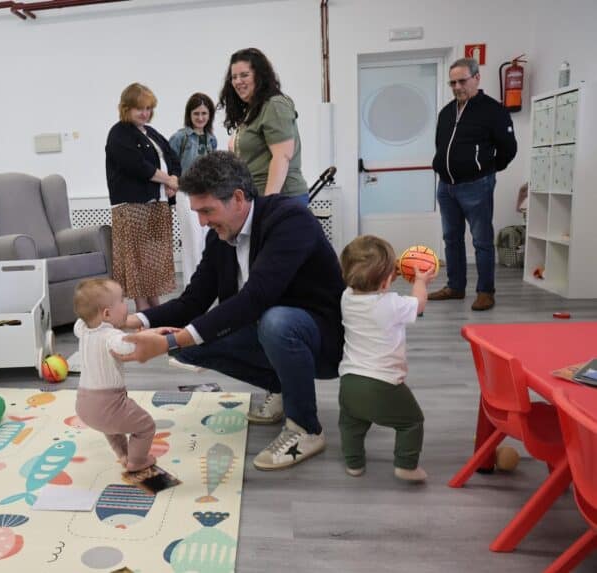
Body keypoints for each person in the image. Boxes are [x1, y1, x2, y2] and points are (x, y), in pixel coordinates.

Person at [116, 151, 345, 471]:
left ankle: (306, 428)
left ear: (238, 198)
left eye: (207, 210)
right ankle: (282, 388)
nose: (202, 222)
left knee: (275, 322)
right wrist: (130, 320)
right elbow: (192, 302)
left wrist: (169, 341)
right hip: (271, 331)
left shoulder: (291, 220)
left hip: (323, 340)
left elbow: (256, 297)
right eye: (197, 212)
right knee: (186, 349)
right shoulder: (219, 237)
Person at [338, 235, 436, 483]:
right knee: (411, 422)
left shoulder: (346, 297)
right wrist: (420, 281)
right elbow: (419, 304)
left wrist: (386, 275)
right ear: (385, 282)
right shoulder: (392, 304)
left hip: (349, 382)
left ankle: (354, 463)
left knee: (351, 424)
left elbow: (368, 285)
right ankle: (406, 465)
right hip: (383, 384)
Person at [430, 57, 517, 311]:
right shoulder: (447, 112)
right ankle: (455, 287)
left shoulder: (493, 111)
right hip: (446, 187)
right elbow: (440, 145)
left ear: (476, 78)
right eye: (453, 83)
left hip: (476, 186)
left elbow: (508, 148)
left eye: (462, 81)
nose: (457, 87)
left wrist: (486, 170)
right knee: (451, 238)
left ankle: (485, 292)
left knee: (481, 240)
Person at [105, 83, 181, 312]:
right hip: (133, 206)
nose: (145, 113)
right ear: (126, 108)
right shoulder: (119, 133)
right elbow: (137, 165)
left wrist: (174, 179)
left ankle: (154, 307)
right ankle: (143, 309)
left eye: (148, 108)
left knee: (152, 259)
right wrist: (167, 180)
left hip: (158, 203)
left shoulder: (151, 132)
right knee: (137, 259)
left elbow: (172, 157)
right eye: (140, 108)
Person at [73, 278, 157, 473]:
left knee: (111, 427)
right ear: (107, 314)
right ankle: (137, 461)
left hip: (84, 406)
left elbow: (81, 320)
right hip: (109, 405)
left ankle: (123, 455)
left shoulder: (83, 330)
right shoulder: (111, 336)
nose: (126, 304)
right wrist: (142, 337)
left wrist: (88, 310)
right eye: (122, 300)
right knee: (146, 426)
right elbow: (127, 346)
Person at [219, 48, 308, 207]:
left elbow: (282, 157)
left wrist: (268, 204)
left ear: (259, 76)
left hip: (281, 198)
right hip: (257, 196)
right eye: (234, 77)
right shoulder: (252, 110)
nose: (238, 81)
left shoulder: (274, 104)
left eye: (244, 75)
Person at [169, 93, 218, 286]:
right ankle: (192, 286)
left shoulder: (211, 139)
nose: (200, 117)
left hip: (207, 193)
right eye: (196, 113)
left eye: (204, 113)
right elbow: (170, 165)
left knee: (206, 239)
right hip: (186, 192)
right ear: (189, 114)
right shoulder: (180, 137)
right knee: (192, 240)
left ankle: (206, 284)